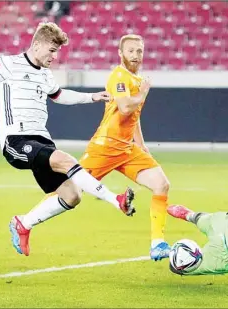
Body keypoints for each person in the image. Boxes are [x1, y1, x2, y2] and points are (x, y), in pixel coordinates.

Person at [0, 22, 135, 256]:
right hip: (16, 141)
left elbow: (60, 95)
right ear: (36, 45)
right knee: (65, 160)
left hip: (42, 141)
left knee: (72, 196)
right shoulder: (8, 64)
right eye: (52, 50)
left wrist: (92, 97)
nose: (55, 56)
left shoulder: (46, 75)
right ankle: (116, 200)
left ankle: (23, 223)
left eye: (57, 52)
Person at [43, 34, 172, 261]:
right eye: (130, 51)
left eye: (139, 51)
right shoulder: (119, 77)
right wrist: (143, 93)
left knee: (161, 184)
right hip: (104, 147)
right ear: (121, 54)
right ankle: (26, 222)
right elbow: (124, 107)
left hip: (126, 150)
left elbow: (134, 116)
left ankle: (158, 244)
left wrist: (141, 145)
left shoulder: (136, 79)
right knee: (71, 191)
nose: (135, 55)